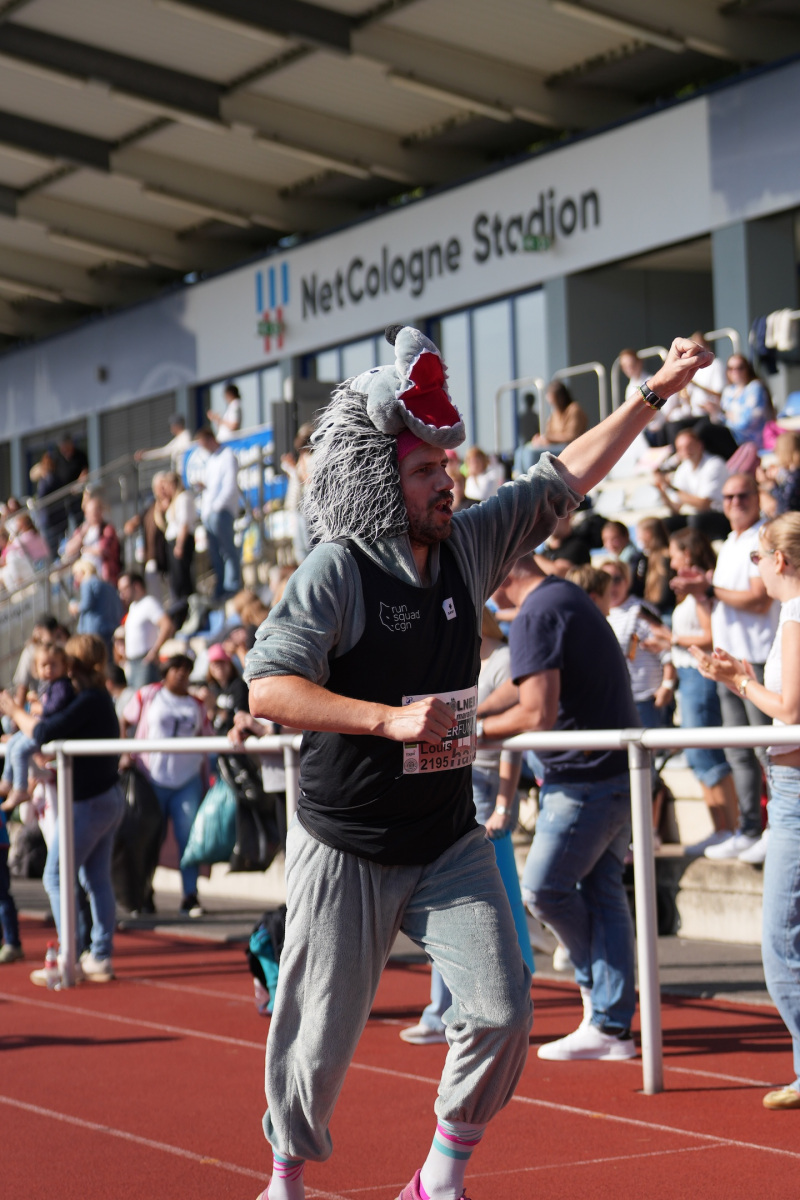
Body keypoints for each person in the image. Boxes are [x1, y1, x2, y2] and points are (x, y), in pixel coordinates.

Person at [243, 323, 711, 1200]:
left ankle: (438, 1181)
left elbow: (562, 478)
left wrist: (654, 394)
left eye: (447, 467)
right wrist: (386, 720)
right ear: (382, 480)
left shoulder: (467, 543)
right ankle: (285, 1178)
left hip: (445, 836)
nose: (447, 483)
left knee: (502, 1008)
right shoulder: (337, 571)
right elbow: (268, 688)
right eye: (426, 471)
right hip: (345, 840)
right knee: (317, 1041)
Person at [479, 555, 639, 1062]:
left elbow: (537, 711)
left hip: (584, 779)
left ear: (505, 570)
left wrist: (470, 732)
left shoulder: (538, 610)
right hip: (605, 775)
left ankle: (604, 1006)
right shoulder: (561, 597)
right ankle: (609, 1021)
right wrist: (473, 712)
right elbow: (524, 683)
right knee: (603, 893)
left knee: (544, 890)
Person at [690, 512, 800, 1111]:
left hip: (794, 793)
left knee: (780, 943)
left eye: (756, 557)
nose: (755, 567)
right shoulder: (790, 616)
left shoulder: (796, 614)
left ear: (780, 560)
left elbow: (789, 708)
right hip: (788, 787)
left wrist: (738, 681)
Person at [399, 607, 534, 1047]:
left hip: (485, 789)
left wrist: (504, 803)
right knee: (455, 905)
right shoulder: (461, 660)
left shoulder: (504, 661)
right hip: (459, 783)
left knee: (483, 906)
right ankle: (445, 1010)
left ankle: (470, 1009)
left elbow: (512, 740)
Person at [0, 634, 124, 986]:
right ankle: (98, 955)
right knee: (95, 878)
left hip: (90, 803)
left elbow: (43, 731)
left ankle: (70, 955)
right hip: (105, 797)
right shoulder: (95, 698)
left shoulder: (89, 699)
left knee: (56, 876)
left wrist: (15, 712)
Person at [673, 473, 779, 862]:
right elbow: (727, 603)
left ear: (756, 496)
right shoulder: (734, 542)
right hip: (730, 662)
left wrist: (706, 589)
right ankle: (750, 829)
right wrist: (702, 592)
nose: (735, 501)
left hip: (756, 660)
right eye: (729, 496)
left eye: (742, 495)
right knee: (739, 752)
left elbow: (757, 599)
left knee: (767, 751)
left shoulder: (761, 537)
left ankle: (776, 828)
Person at [643, 528, 739, 853]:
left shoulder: (699, 588)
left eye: (674, 553)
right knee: (700, 754)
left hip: (699, 677)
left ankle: (728, 828)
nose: (671, 561)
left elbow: (710, 636)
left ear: (687, 553)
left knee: (705, 753)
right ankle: (722, 829)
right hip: (691, 676)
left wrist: (671, 638)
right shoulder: (693, 589)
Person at [122, 645, 212, 918]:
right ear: (166, 670)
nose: (181, 674)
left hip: (187, 780)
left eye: (186, 669)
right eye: (176, 668)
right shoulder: (148, 694)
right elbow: (124, 720)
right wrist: (126, 752)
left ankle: (190, 895)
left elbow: (207, 738)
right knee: (150, 838)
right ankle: (144, 892)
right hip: (152, 778)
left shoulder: (197, 705)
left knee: (188, 837)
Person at [0, 642, 74, 809]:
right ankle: (7, 780)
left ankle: (20, 789)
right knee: (12, 743)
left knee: (19, 750)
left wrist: (37, 707)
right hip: (39, 727)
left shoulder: (62, 685)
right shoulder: (49, 685)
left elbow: (54, 708)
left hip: (48, 730)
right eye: (44, 665)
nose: (48, 669)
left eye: (53, 664)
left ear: (63, 665)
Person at [603, 559, 675, 728]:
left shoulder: (641, 611)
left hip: (644, 699)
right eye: (605, 579)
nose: (611, 586)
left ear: (627, 581)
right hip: (614, 699)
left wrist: (667, 685)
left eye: (616, 579)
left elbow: (666, 650)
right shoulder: (599, 611)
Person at [653, 426, 730, 540]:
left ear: (700, 445)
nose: (686, 451)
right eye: (681, 448)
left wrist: (671, 488)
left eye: (689, 446)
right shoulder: (683, 469)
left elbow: (704, 504)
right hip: (697, 516)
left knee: (696, 520)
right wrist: (662, 489)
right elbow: (676, 508)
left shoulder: (714, 464)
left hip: (719, 516)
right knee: (666, 524)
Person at [195, 425, 241, 600]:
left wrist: (216, 508)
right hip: (210, 513)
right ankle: (221, 587)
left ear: (210, 439)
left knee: (227, 550)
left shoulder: (227, 456)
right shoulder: (212, 460)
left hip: (221, 512)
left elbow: (229, 486)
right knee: (215, 553)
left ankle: (232, 586)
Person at [117, 571, 175, 689]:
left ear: (136, 585)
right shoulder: (133, 607)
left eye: (125, 589)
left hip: (145, 662)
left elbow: (167, 625)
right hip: (133, 664)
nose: (122, 594)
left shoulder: (149, 603)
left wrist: (154, 651)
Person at [515, 381, 588, 472]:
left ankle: (533, 478)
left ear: (561, 397)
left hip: (569, 448)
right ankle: (520, 476)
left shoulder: (574, 409)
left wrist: (548, 438)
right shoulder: (555, 413)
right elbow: (548, 433)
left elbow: (571, 436)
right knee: (520, 451)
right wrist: (541, 439)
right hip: (554, 446)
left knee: (531, 453)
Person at [713, 356, 774, 449]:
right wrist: (715, 412)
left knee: (706, 430)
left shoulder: (755, 388)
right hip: (732, 438)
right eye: (731, 368)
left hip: (751, 443)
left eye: (740, 367)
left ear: (748, 368)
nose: (735, 371)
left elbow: (746, 422)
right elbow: (721, 419)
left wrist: (728, 416)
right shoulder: (728, 391)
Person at [64, 492, 121, 585]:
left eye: (96, 511)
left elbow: (104, 550)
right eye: (90, 512)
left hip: (103, 577)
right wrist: (82, 534)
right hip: (84, 578)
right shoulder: (81, 531)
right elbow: (69, 550)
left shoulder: (107, 529)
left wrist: (83, 550)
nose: (94, 515)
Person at [69, 558, 122, 657]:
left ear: (83, 571)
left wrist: (76, 607)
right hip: (110, 627)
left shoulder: (87, 583)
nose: (75, 577)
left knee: (94, 657)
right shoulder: (106, 584)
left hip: (94, 629)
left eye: (76, 573)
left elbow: (87, 604)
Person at [162, 471, 197, 602]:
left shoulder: (184, 498)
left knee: (183, 577)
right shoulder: (175, 500)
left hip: (181, 541)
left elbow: (184, 524)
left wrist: (179, 545)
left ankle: (187, 603)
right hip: (173, 541)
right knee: (176, 578)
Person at [632, 517, 675, 616]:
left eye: (639, 534)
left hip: (665, 612)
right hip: (654, 609)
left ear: (648, 533)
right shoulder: (648, 557)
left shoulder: (665, 556)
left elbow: (666, 594)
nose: (637, 538)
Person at [32, 449, 68, 560]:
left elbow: (42, 495)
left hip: (51, 519)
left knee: (53, 550)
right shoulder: (54, 477)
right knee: (54, 549)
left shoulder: (50, 478)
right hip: (55, 518)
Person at [54, 433, 89, 528]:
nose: (63, 449)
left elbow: (85, 472)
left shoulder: (80, 455)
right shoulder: (58, 457)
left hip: (76, 493)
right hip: (62, 494)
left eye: (65, 445)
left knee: (78, 518)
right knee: (62, 520)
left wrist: (78, 485)